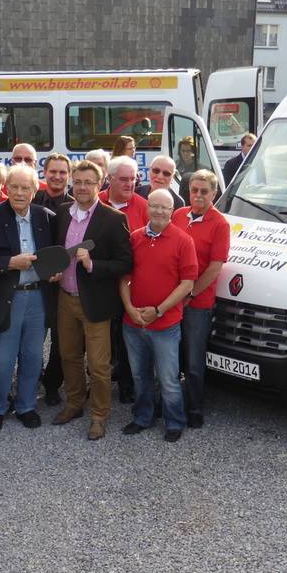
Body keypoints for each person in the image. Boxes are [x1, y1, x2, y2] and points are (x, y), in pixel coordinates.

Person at [0, 164, 55, 432]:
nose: (19, 192)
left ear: (34, 190)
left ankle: (26, 405)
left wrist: (55, 272)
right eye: (14, 186)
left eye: (25, 187)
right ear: (6, 188)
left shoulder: (46, 217)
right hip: (5, 298)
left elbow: (55, 255)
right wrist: (9, 263)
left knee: (32, 356)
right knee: (1, 359)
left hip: (37, 298)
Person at [51, 160, 132, 440]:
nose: (83, 187)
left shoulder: (113, 219)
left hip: (95, 302)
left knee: (98, 365)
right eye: (79, 182)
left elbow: (125, 263)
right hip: (65, 298)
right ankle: (74, 403)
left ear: (100, 185)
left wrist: (93, 264)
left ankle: (99, 414)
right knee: (69, 356)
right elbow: (57, 253)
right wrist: (53, 271)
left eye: (89, 182)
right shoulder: (62, 213)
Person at [120, 189, 197, 442]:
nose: (159, 211)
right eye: (154, 206)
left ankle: (175, 421)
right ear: (148, 208)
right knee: (139, 375)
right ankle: (143, 417)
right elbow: (124, 277)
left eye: (165, 207)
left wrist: (159, 310)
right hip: (133, 322)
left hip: (165, 324)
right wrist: (130, 308)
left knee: (168, 378)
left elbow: (187, 284)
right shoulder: (134, 238)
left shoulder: (183, 241)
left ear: (173, 210)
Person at [172, 170, 230, 428]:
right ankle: (171, 404)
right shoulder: (177, 215)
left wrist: (190, 293)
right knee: (172, 358)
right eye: (194, 190)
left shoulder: (220, 224)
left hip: (197, 303)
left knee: (194, 361)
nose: (197, 195)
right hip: (173, 300)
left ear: (214, 194)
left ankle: (195, 408)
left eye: (203, 191)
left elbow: (215, 267)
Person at [98, 155, 148, 402]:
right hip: (99, 286)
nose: (130, 184)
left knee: (127, 342)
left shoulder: (144, 206)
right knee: (100, 342)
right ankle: (98, 386)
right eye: (124, 180)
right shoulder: (95, 203)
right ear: (110, 180)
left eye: (134, 179)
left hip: (130, 287)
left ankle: (127, 388)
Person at [31, 152, 73, 405]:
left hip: (61, 284)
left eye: (62, 172)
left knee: (60, 340)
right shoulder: (32, 200)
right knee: (34, 338)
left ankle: (52, 385)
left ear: (68, 177)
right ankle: (30, 378)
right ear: (44, 173)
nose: (57, 176)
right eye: (52, 171)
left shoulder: (73, 207)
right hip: (35, 282)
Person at [176, 136, 199, 201]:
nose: (185, 153)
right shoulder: (174, 167)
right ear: (179, 152)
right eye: (183, 151)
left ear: (194, 152)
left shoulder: (201, 169)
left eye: (188, 151)